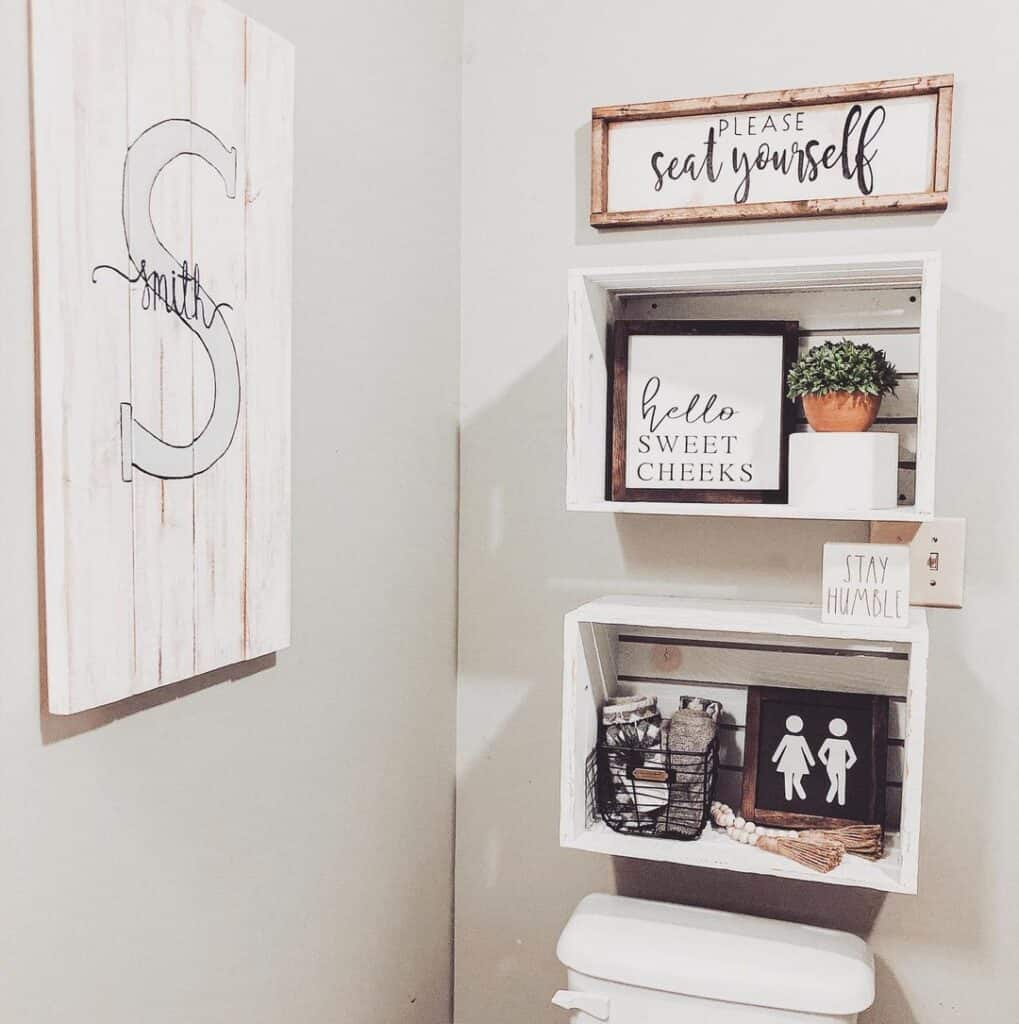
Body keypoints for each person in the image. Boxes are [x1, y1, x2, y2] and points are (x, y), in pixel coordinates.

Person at [771, 714, 814, 801]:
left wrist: (811, 761)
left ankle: (798, 794)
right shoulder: (788, 738)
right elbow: (780, 748)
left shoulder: (801, 739)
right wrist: (775, 758)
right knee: (788, 779)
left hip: (796, 761)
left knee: (794, 779)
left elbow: (806, 750)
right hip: (790, 762)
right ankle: (789, 797)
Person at [818, 717, 857, 806]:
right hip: (833, 766)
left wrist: (847, 765)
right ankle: (830, 800)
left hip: (839, 766)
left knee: (841, 784)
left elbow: (853, 757)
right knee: (835, 783)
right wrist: (826, 762)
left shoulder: (846, 743)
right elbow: (821, 753)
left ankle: (840, 801)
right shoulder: (829, 741)